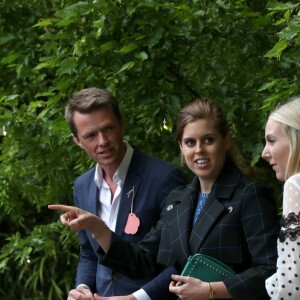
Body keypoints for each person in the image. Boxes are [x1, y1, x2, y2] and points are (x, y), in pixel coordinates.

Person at [49, 98, 280, 300]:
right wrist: (97, 227)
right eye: (190, 142)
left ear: (226, 141)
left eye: (208, 140)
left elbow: (272, 270)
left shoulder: (249, 195)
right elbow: (142, 262)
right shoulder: (179, 201)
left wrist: (212, 290)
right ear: (181, 146)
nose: (199, 150)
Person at [59, 87, 186, 300]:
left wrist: (137, 298)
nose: (102, 142)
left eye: (108, 129)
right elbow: (89, 254)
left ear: (121, 123)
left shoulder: (164, 178)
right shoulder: (82, 186)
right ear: (77, 141)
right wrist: (82, 288)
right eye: (90, 135)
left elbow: (181, 259)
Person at [261, 97, 300, 300]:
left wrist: (273, 284)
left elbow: (292, 285)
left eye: (271, 140)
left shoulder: (296, 185)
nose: (264, 153)